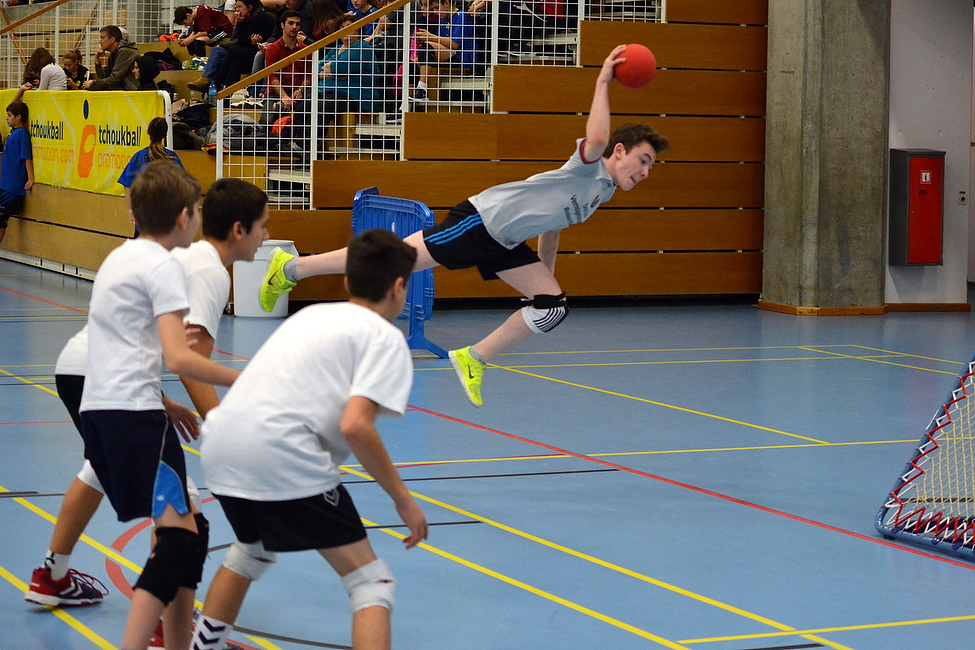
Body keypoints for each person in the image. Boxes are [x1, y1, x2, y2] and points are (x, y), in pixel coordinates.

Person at [260, 45, 669, 407]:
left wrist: (544, 274)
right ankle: (291, 267)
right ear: (619, 151)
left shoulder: (601, 192)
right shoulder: (589, 167)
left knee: (552, 306)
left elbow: (552, 224)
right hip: (481, 222)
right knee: (391, 261)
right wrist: (602, 81)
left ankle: (474, 358)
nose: (646, 172)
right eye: (644, 160)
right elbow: (595, 136)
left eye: (651, 166)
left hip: (505, 241)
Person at [188, 228, 428, 650]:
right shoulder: (383, 337)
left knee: (250, 550)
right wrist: (403, 499)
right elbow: (356, 426)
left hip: (221, 444)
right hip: (282, 453)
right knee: (371, 582)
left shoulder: (310, 315)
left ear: (348, 282)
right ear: (398, 288)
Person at [78, 161, 241, 650]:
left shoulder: (120, 257)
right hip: (132, 415)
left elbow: (122, 347)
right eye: (196, 212)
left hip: (110, 407)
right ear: (183, 217)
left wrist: (165, 402)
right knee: (179, 540)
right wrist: (251, 378)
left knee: (190, 530)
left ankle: (176, 643)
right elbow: (178, 356)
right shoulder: (165, 266)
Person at [290, 14, 383, 151]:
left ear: (358, 31)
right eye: (342, 27)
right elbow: (318, 69)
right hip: (329, 92)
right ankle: (295, 141)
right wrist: (333, 73)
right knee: (305, 104)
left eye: (349, 27)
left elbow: (340, 69)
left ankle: (307, 147)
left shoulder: (361, 47)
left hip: (357, 95)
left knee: (322, 106)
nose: (345, 30)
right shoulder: (336, 48)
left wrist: (333, 71)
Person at [189, 0, 275, 94]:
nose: (237, 10)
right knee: (235, 63)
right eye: (236, 7)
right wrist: (240, 23)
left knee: (233, 50)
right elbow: (238, 38)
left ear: (250, 7)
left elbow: (243, 41)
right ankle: (227, 96)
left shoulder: (261, 18)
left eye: (239, 7)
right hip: (249, 50)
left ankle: (215, 83)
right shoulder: (247, 18)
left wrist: (241, 22)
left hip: (262, 52)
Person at [118, 117, 183, 236]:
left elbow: (128, 186)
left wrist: (132, 209)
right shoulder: (172, 158)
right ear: (165, 135)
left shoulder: (137, 157)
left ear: (148, 133)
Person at [410, 0, 477, 102]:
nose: (435, 12)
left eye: (437, 8)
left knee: (427, 47)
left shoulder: (462, 16)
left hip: (462, 57)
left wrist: (430, 37)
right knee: (411, 63)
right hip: (448, 53)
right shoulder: (443, 19)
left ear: (446, 3)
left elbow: (455, 45)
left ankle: (422, 90)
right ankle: (406, 103)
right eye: (434, 9)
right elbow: (439, 42)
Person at [0, 99, 34, 247]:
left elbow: (27, 157)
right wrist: (20, 91)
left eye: (9, 115)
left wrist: (30, 178)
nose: (6, 118)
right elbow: (14, 104)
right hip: (5, 184)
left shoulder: (22, 134)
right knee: (2, 219)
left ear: (18, 117)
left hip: (13, 186)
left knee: (1, 218)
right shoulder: (13, 132)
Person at [263, 10, 311, 113]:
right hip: (276, 93)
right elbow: (272, 76)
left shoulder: (306, 49)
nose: (294, 27)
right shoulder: (272, 49)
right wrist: (283, 96)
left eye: (297, 24)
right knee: (266, 119)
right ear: (282, 25)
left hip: (298, 92)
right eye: (291, 23)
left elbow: (309, 75)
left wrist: (300, 90)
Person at [83, 25, 138, 91]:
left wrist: (93, 83)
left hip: (134, 90)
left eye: (102, 38)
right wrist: (97, 60)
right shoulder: (113, 53)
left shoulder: (125, 51)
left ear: (112, 39)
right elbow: (104, 78)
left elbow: (115, 79)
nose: (100, 42)